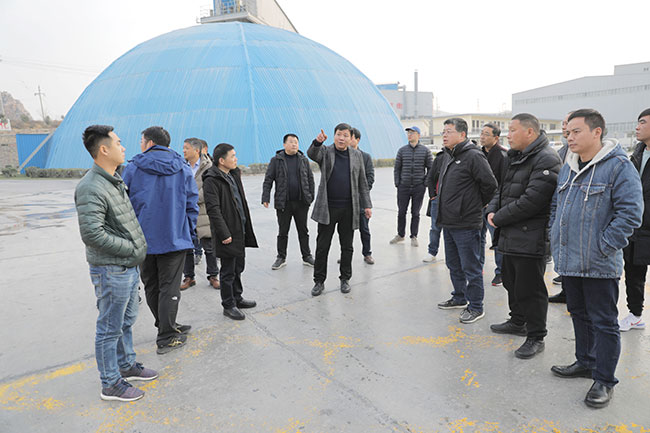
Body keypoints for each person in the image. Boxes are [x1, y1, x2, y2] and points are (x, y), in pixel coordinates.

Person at [550, 109, 642, 408]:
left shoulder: (618, 166)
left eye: (576, 131)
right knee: (578, 313)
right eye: (568, 132)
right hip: (569, 259)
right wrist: (555, 234)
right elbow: (557, 205)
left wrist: (604, 246)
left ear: (597, 132)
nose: (569, 137)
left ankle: (604, 379)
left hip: (599, 262)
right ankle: (585, 362)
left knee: (604, 322)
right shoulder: (569, 165)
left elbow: (630, 214)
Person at [75, 125, 156, 402]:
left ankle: (126, 364)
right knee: (109, 328)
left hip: (127, 266)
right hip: (111, 269)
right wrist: (131, 249)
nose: (123, 147)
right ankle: (110, 383)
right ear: (104, 149)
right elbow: (92, 233)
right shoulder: (91, 186)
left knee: (125, 321)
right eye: (118, 143)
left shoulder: (113, 179)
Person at [486, 114, 561, 359]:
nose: (508, 135)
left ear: (530, 132)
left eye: (512, 130)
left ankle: (536, 336)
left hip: (531, 237)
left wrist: (498, 217)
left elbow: (532, 201)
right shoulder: (515, 156)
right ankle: (517, 321)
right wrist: (491, 210)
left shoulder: (546, 159)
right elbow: (501, 189)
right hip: (510, 233)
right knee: (511, 282)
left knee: (531, 289)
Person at [122, 126, 198, 354]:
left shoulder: (133, 168)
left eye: (141, 141)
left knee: (152, 285)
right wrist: (187, 230)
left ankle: (166, 325)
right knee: (169, 286)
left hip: (142, 238)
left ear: (150, 143)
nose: (140, 145)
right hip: (174, 237)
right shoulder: (182, 168)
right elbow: (191, 202)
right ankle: (166, 335)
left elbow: (123, 204)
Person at [436, 118, 497, 324]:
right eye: (443, 131)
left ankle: (476, 306)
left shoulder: (474, 156)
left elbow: (490, 186)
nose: (444, 135)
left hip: (466, 223)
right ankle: (459, 297)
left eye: (449, 131)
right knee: (453, 264)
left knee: (471, 267)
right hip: (448, 221)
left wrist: (473, 205)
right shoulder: (449, 155)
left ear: (462, 135)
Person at [308, 124, 372, 296]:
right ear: (334, 136)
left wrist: (367, 205)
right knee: (322, 246)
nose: (341, 138)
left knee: (347, 246)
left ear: (351, 138)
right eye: (338, 134)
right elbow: (312, 154)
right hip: (327, 208)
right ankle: (319, 281)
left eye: (345, 135)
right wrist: (317, 142)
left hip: (349, 209)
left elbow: (362, 182)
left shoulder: (357, 155)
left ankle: (345, 279)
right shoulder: (326, 151)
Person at [203, 143, 258, 320]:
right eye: (232, 156)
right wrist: (224, 233)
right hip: (227, 233)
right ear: (221, 160)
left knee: (238, 267)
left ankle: (237, 297)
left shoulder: (233, 174)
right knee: (227, 271)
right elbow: (213, 210)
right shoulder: (212, 180)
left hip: (239, 228)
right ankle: (228, 304)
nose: (236, 159)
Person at [262, 133, 315, 270]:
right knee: (283, 231)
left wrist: (310, 197)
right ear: (284, 144)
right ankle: (281, 257)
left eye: (296, 142)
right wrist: (265, 197)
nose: (294, 144)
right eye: (291, 142)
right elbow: (268, 179)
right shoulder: (276, 160)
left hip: (301, 203)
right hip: (283, 203)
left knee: (303, 230)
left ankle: (307, 256)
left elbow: (310, 179)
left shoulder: (303, 159)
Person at [619, 108, 650, 331]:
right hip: (637, 226)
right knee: (633, 271)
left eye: (643, 122)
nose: (637, 127)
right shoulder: (637, 154)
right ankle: (635, 314)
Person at [180, 138, 220, 291]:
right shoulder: (181, 166)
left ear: (197, 150)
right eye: (183, 148)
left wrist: (190, 199)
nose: (184, 151)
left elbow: (208, 189)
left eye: (186, 148)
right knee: (187, 247)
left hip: (203, 212)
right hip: (186, 213)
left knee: (209, 246)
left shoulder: (208, 167)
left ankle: (213, 275)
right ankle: (189, 277)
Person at [390, 126, 433, 246]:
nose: (409, 135)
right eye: (408, 133)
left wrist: (425, 183)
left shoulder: (425, 151)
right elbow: (397, 168)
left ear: (418, 135)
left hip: (418, 187)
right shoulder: (402, 150)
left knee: (415, 213)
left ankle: (414, 236)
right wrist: (398, 183)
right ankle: (400, 235)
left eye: (412, 133)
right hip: (403, 186)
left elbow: (431, 168)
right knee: (401, 212)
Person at [479, 123, 508, 286]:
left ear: (496, 138)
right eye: (481, 133)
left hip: (494, 206)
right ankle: (478, 267)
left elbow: (504, 184)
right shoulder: (477, 154)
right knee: (478, 238)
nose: (482, 137)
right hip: (477, 204)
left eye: (486, 134)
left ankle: (501, 272)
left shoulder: (503, 156)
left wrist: (493, 204)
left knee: (496, 239)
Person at [549, 112, 573, 302]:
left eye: (568, 123)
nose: (564, 127)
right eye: (563, 123)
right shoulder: (562, 151)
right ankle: (566, 291)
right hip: (561, 212)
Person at [350, 127, 376, 264]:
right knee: (346, 231)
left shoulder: (365, 157)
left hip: (361, 200)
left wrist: (361, 193)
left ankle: (367, 254)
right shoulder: (343, 156)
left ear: (357, 140)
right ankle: (346, 254)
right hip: (347, 201)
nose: (348, 140)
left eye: (351, 137)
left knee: (364, 229)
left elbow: (370, 178)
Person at [422, 149, 448, 262]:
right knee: (435, 228)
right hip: (437, 199)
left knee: (451, 230)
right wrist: (432, 195)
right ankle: (432, 252)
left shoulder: (464, 157)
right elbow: (430, 177)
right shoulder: (440, 157)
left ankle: (451, 255)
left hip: (453, 201)